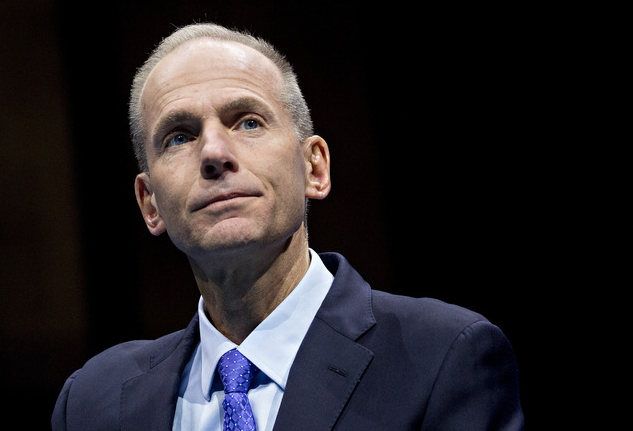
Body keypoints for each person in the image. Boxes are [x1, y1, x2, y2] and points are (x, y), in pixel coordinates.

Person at [52, 22, 524, 430]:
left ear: (314, 168)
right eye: (180, 136)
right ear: (149, 203)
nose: (215, 154)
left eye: (249, 122)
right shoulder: (93, 403)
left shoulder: (442, 357)